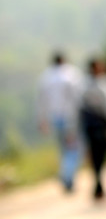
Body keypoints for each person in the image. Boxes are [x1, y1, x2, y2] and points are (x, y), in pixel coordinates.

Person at [37, 51, 84, 193]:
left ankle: (66, 175)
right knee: (73, 149)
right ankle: (67, 176)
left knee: (63, 149)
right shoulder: (72, 74)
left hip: (54, 118)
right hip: (70, 117)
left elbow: (40, 101)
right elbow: (78, 97)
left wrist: (42, 120)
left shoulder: (45, 77)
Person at [80, 57, 106, 200]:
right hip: (96, 125)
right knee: (97, 155)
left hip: (99, 125)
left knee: (100, 155)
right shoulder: (90, 83)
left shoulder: (100, 82)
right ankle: (98, 184)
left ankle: (99, 183)